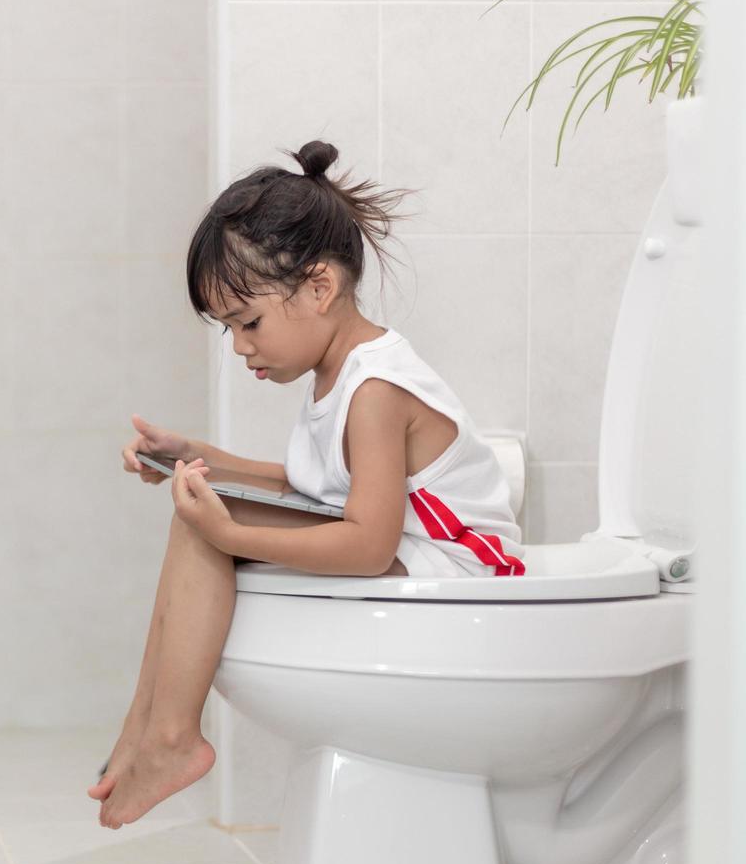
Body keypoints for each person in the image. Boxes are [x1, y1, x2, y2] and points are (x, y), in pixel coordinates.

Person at [90, 140, 526, 829]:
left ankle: (167, 736)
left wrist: (231, 532)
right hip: (411, 547)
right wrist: (193, 455)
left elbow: (369, 544)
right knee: (202, 507)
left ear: (319, 287)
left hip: (459, 570)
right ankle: (148, 729)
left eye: (248, 322)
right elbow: (314, 486)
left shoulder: (376, 387)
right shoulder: (340, 369)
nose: (239, 347)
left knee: (207, 524)